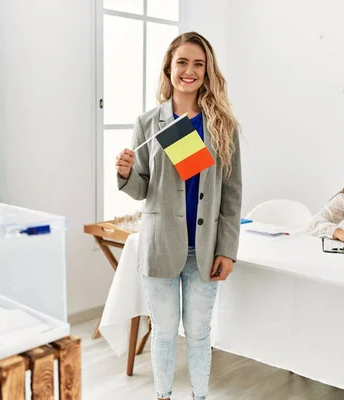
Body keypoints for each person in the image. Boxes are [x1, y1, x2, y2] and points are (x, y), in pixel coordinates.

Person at [115, 32, 242, 400]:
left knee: (200, 334)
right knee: (166, 332)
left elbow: (231, 196)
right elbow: (141, 188)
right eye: (182, 62)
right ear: (169, 69)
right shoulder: (147, 123)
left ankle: (199, 397)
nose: (189, 71)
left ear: (208, 71)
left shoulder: (223, 125)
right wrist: (125, 174)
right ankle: (164, 396)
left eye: (198, 63)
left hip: (204, 249)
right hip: (160, 247)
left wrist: (227, 250)